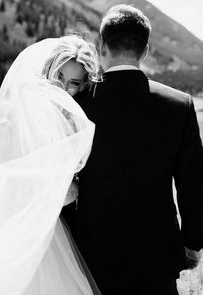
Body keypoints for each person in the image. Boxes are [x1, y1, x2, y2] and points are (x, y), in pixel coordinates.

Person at [72, 4, 203, 294]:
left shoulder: (77, 104)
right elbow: (193, 183)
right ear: (146, 50)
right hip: (156, 257)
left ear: (102, 45)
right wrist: (193, 242)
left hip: (92, 256)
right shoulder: (179, 105)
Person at [0, 35, 101, 294]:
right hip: (27, 220)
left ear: (84, 85)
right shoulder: (26, 113)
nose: (63, 89)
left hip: (52, 223)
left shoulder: (74, 118)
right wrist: (74, 187)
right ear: (48, 70)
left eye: (74, 83)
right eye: (58, 77)